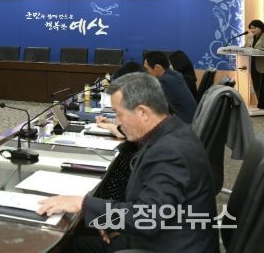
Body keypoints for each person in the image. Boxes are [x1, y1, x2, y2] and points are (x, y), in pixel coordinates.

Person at [37, 73, 218, 253]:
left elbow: (148, 217)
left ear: (142, 113)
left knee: (66, 246)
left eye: (119, 114)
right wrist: (110, 220)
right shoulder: (171, 132)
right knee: (77, 242)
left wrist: (82, 204)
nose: (117, 122)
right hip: (162, 235)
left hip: (168, 245)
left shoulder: (171, 152)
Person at [143, 51, 197, 123]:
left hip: (185, 124)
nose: (146, 72)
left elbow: (153, 105)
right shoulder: (175, 74)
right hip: (193, 120)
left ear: (157, 67)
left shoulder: (165, 81)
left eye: (147, 69)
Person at [245, 19, 264, 109]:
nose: (252, 30)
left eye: (255, 28)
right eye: (251, 28)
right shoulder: (250, 38)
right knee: (256, 84)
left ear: (261, 27)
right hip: (253, 63)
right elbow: (246, 47)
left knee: (262, 86)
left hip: (262, 64)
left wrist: (258, 50)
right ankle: (260, 104)